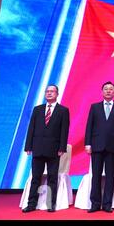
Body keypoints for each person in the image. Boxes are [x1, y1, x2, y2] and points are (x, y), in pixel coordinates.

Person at [22, 85, 70, 213]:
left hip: (54, 150)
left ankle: (50, 204)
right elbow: (31, 128)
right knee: (35, 178)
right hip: (37, 148)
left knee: (52, 178)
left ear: (57, 94)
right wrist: (28, 146)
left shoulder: (63, 111)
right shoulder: (37, 109)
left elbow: (64, 131)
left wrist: (62, 148)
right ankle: (31, 204)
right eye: (47, 91)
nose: (49, 93)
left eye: (52, 91)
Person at [85, 81, 114, 213]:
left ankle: (107, 204)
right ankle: (95, 204)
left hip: (112, 147)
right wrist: (87, 143)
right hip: (96, 146)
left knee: (110, 176)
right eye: (106, 89)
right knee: (95, 175)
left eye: (111, 89)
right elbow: (89, 127)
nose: (108, 91)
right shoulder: (95, 107)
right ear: (102, 92)